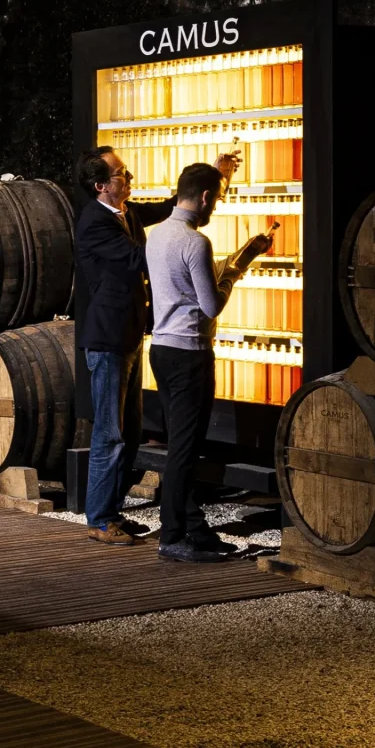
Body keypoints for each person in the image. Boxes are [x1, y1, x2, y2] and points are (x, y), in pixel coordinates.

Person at [75, 146, 238, 546]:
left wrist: (212, 178)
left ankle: (112, 512)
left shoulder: (125, 212)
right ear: (102, 186)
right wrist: (184, 247)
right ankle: (99, 519)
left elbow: (169, 207)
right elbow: (139, 258)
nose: (129, 179)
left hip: (131, 335)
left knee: (130, 433)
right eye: (121, 175)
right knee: (110, 433)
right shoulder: (95, 223)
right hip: (107, 339)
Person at [145, 162, 272, 563]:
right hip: (190, 355)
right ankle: (173, 536)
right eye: (216, 198)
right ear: (203, 197)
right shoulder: (195, 242)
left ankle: (194, 529)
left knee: (179, 444)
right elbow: (211, 303)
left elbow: (185, 286)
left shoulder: (156, 234)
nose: (215, 207)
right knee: (185, 448)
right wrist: (235, 272)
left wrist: (245, 253)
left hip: (162, 350)